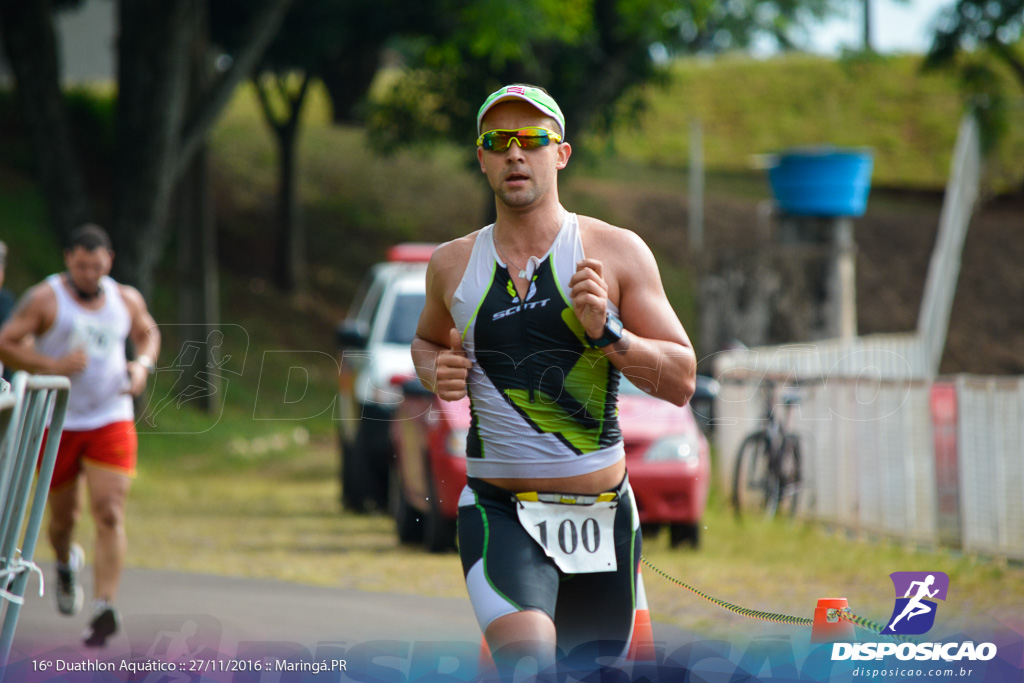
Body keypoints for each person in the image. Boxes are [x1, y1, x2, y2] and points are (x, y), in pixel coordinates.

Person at [411, 84, 696, 675]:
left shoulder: (615, 252)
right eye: (499, 142)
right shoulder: (452, 264)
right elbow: (427, 342)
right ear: (482, 157)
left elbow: (681, 381)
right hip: (500, 511)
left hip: (602, 516)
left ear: (560, 154)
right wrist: (436, 371)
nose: (516, 154)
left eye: (532, 140)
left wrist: (609, 333)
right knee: (530, 661)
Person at [0, 224, 160, 648]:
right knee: (62, 520)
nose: (90, 273)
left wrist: (141, 366)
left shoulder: (125, 298)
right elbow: (6, 343)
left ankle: (104, 606)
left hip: (111, 416)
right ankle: (66, 563)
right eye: (82, 264)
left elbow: (148, 333)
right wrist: (49, 366)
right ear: (69, 259)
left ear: (109, 261)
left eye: (98, 265)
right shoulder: (46, 298)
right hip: (59, 422)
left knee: (109, 510)